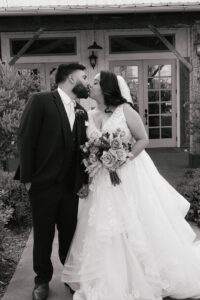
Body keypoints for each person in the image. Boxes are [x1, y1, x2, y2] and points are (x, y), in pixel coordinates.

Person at [62, 71, 200, 300]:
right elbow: (86, 147)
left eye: (96, 82)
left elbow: (143, 139)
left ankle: (145, 275)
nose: (91, 86)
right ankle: (109, 278)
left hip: (128, 176)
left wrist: (123, 158)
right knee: (105, 228)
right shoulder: (88, 114)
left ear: (106, 88)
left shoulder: (125, 110)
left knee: (134, 222)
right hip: (101, 180)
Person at [14, 63, 89, 300]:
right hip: (42, 185)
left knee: (69, 234)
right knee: (43, 235)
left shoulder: (81, 111)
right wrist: (28, 179)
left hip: (70, 187)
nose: (87, 82)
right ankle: (42, 281)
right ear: (69, 79)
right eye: (83, 77)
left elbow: (82, 151)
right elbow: (26, 139)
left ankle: (68, 276)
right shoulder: (41, 101)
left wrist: (83, 180)